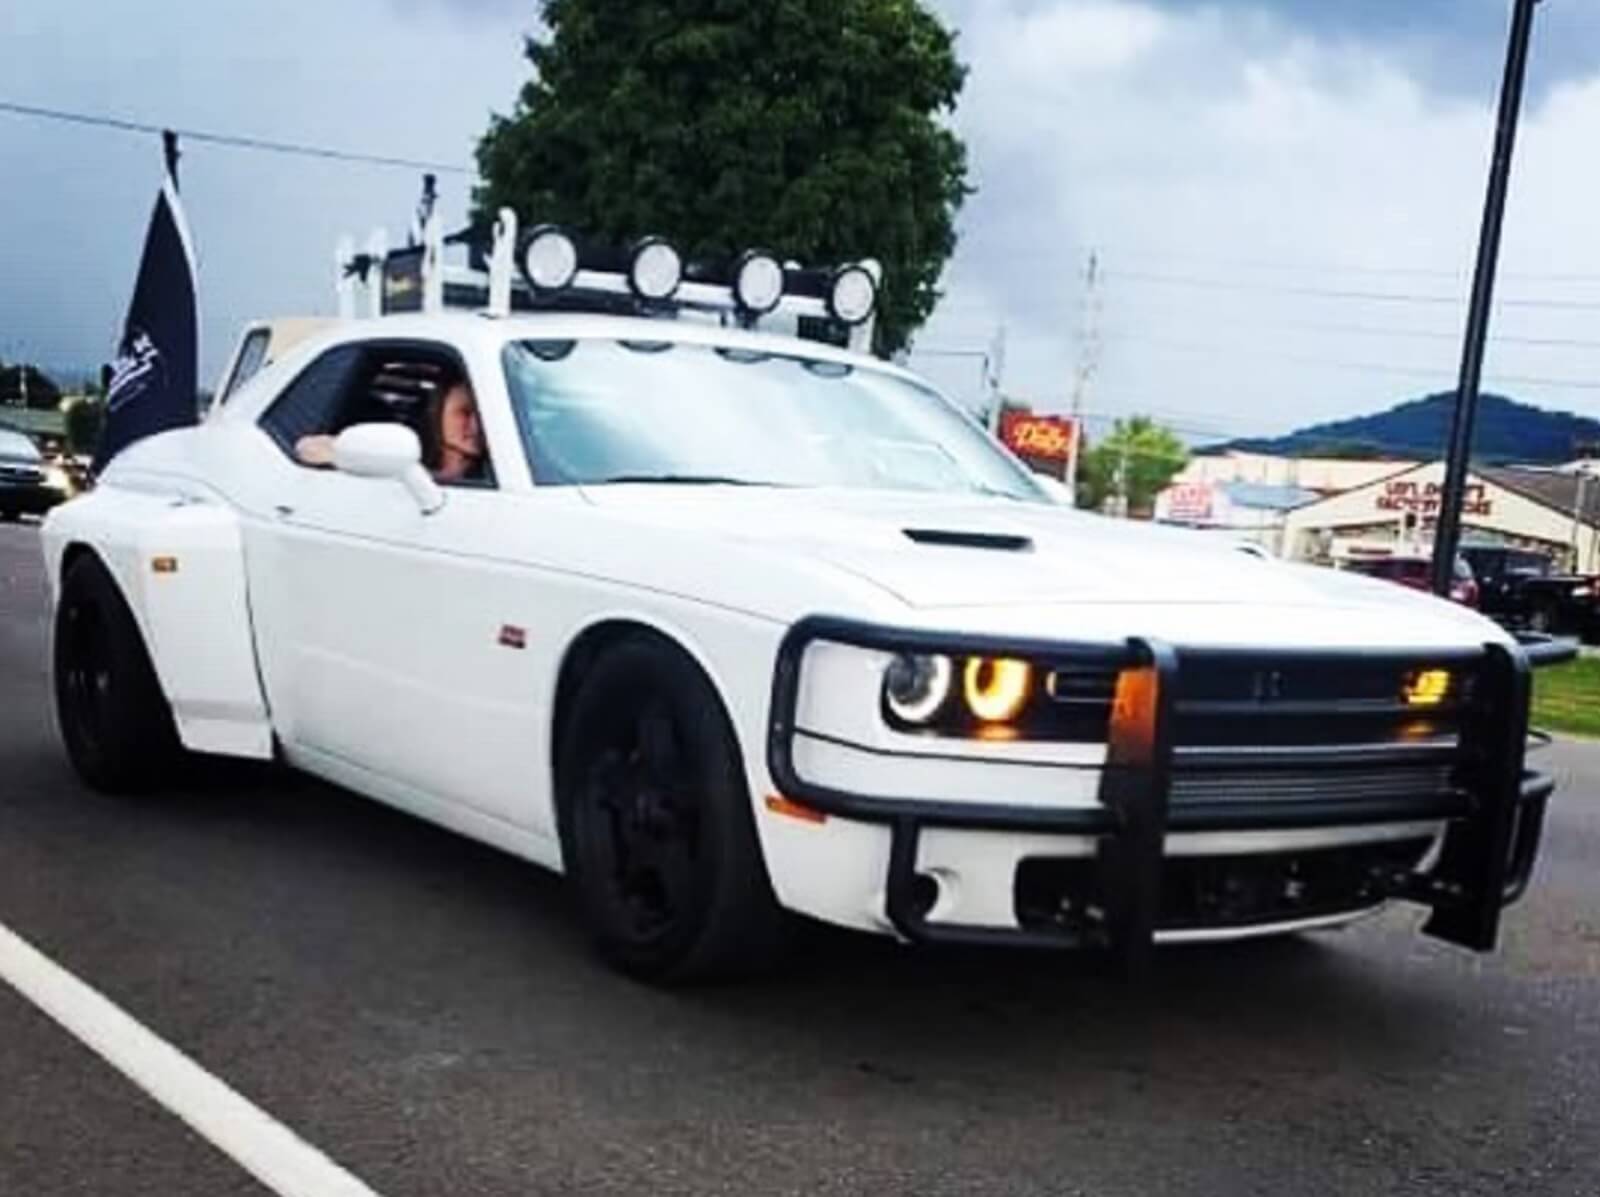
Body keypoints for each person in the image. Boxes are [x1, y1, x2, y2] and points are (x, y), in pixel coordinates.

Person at [294, 376, 485, 483]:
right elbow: (308, 447)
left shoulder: (506, 469)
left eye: (484, 414)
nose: (476, 425)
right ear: (438, 411)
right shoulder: (401, 450)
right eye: (465, 412)